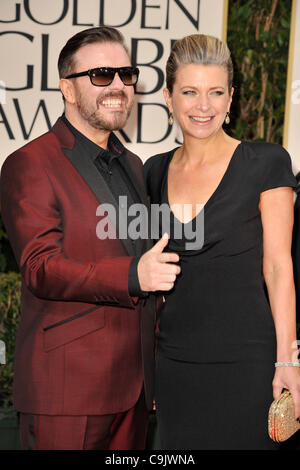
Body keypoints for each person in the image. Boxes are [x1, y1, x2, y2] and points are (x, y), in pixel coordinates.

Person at [0, 27, 180, 450]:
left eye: (125, 74)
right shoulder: (30, 163)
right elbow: (41, 268)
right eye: (101, 75)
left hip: (134, 391)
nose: (117, 85)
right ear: (67, 87)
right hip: (67, 390)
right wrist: (134, 275)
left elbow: (145, 259)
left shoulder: (134, 164)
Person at [144, 33, 300, 450]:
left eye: (216, 92)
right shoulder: (152, 172)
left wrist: (288, 359)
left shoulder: (266, 162)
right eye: (190, 92)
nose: (203, 106)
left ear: (231, 98)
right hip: (174, 363)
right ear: (168, 96)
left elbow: (279, 267)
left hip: (248, 362)